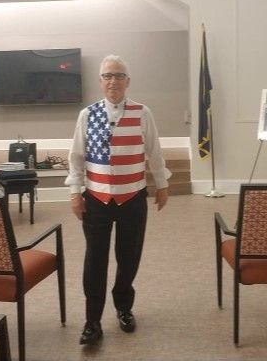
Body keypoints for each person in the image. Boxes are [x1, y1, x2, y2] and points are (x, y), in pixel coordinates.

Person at [65, 54, 171, 346]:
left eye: (119, 75)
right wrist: (75, 192)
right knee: (95, 261)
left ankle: (124, 307)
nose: (113, 81)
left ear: (128, 81)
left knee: (129, 257)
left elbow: (155, 152)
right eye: (108, 76)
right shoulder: (87, 114)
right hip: (96, 200)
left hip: (133, 199)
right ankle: (92, 321)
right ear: (100, 81)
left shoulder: (142, 112)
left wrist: (161, 185)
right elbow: (76, 157)